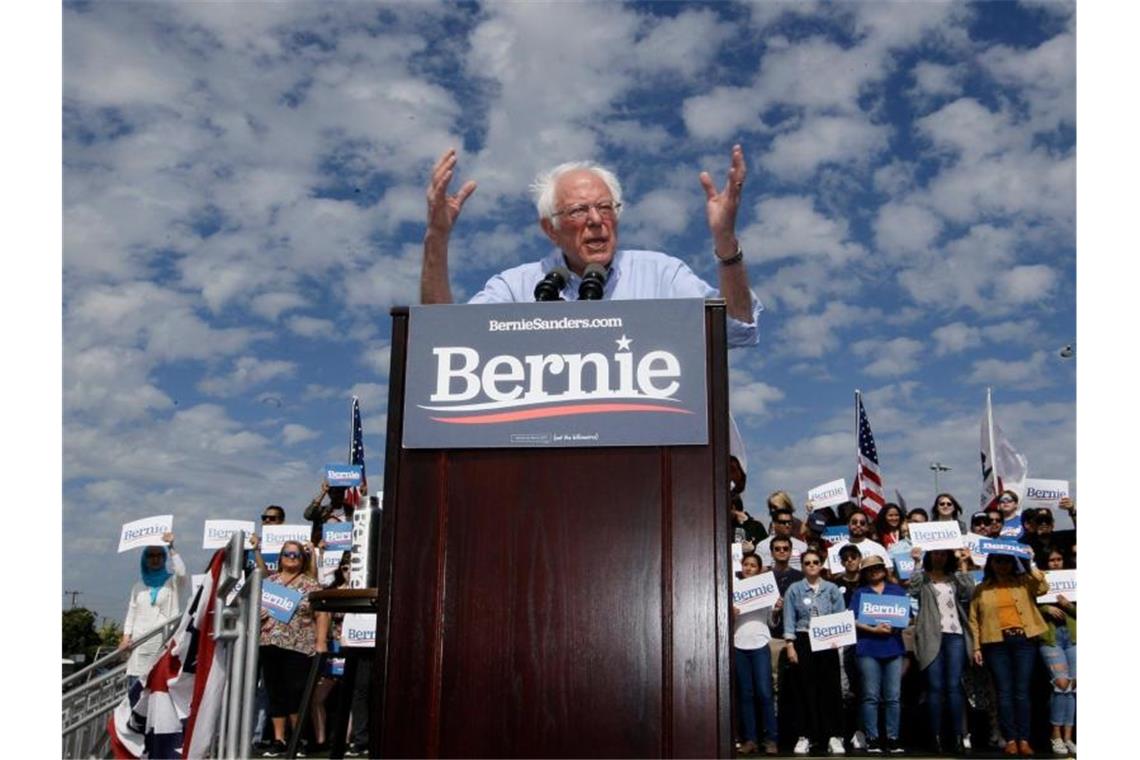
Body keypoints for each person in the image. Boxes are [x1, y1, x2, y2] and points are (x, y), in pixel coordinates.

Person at [420, 147, 763, 344]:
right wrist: (437, 238)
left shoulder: (661, 274)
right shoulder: (516, 287)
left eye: (605, 207)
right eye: (579, 210)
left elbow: (736, 329)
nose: (596, 220)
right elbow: (446, 344)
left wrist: (725, 242)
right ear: (550, 229)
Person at [968, 549, 1049, 757]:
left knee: (1022, 692)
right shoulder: (981, 589)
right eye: (998, 561)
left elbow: (1042, 587)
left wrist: (1030, 562)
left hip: (1024, 640)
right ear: (991, 564)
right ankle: (1011, 739)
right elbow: (974, 621)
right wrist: (976, 647)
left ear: (1013, 563)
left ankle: (1024, 739)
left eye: (1007, 561)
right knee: (1004, 692)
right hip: (995, 643)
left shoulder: (1023, 581)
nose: (1003, 565)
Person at [253, 538, 329, 757]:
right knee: (275, 692)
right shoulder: (270, 583)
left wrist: (321, 641)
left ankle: (299, 738)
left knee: (296, 692)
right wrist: (258, 616)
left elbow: (322, 613)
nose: (291, 558)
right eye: (287, 554)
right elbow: (252, 611)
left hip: (300, 645)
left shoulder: (310, 584)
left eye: (296, 554)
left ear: (303, 558)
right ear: (280, 558)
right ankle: (279, 739)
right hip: (269, 643)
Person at [908, 546, 975, 754]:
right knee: (935, 687)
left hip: (954, 634)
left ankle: (957, 736)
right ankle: (935, 736)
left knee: (954, 686)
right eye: (936, 553)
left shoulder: (953, 578)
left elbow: (969, 592)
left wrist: (964, 564)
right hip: (930, 634)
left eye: (943, 553)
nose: (940, 556)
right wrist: (917, 563)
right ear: (931, 555)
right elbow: (913, 588)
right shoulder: (925, 578)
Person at [782, 549, 847, 756]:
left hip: (827, 640)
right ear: (802, 566)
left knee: (830, 688)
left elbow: (840, 615)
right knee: (804, 689)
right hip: (803, 638)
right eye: (807, 562)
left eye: (815, 562)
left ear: (821, 565)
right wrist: (790, 644)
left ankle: (833, 736)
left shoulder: (831, 589)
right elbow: (789, 617)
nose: (811, 565)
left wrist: (839, 640)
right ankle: (805, 735)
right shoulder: (794, 589)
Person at [848, 556, 907, 754]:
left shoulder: (897, 591)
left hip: (893, 648)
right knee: (871, 696)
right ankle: (872, 738)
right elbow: (852, 619)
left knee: (893, 697)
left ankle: (893, 738)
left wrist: (894, 626)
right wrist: (873, 630)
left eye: (877, 567)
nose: (874, 571)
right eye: (869, 568)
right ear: (864, 572)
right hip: (867, 648)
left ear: (884, 569)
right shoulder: (860, 593)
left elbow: (905, 618)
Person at [119, 532, 190, 688]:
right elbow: (131, 614)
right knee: (135, 695)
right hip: (139, 646)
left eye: (159, 555)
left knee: (157, 695)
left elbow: (182, 572)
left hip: (162, 644)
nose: (155, 559)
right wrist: (125, 637)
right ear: (145, 559)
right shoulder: (138, 586)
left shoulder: (172, 582)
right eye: (151, 555)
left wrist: (170, 546)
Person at [734, 553, 780, 755]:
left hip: (760, 642)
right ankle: (750, 739)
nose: (749, 568)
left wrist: (777, 609)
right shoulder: (732, 589)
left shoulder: (766, 588)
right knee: (745, 694)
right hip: (738, 643)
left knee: (764, 692)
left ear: (760, 569)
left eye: (753, 565)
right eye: (746, 564)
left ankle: (771, 740)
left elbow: (771, 621)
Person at [1036, 548, 1076, 756]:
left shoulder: (1075, 578)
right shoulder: (1039, 580)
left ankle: (1068, 737)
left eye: (1059, 559)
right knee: (1061, 684)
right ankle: (1055, 735)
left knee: (1074, 685)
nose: (1056, 563)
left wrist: (1067, 605)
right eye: (1052, 560)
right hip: (1050, 638)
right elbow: (1029, 605)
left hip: (1073, 637)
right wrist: (1047, 609)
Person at [758, 506, 808, 570]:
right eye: (783, 522)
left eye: (789, 522)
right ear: (774, 524)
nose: (787, 525)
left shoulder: (802, 546)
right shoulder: (762, 546)